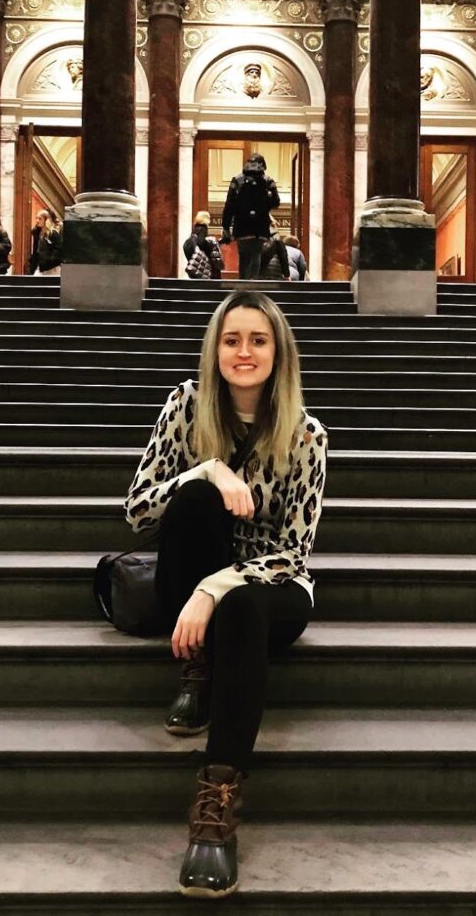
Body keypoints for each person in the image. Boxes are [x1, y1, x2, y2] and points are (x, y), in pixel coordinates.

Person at [124, 290, 328, 899]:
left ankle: (216, 800)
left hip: (267, 590)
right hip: (187, 577)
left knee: (239, 603)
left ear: (278, 352)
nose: (244, 352)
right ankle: (199, 666)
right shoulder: (186, 407)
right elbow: (136, 510)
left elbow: (294, 553)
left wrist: (215, 588)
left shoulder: (307, 436)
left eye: (258, 340)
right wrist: (206, 470)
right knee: (192, 498)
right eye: (232, 340)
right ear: (215, 350)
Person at [220, 153, 280, 279]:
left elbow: (229, 205)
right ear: (263, 165)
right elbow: (276, 202)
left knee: (243, 257)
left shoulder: (237, 180)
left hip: (241, 227)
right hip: (260, 227)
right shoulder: (268, 180)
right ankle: (253, 285)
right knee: (256, 255)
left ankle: (243, 285)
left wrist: (226, 227)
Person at [183, 210, 224, 280]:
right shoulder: (202, 230)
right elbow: (201, 243)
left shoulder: (194, 232)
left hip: (197, 269)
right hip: (206, 270)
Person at [28, 209, 63, 276]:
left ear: (46, 220)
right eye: (36, 218)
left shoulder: (53, 234)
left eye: (40, 219)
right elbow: (35, 252)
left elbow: (58, 252)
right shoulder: (37, 233)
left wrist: (47, 263)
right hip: (40, 268)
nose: (37, 221)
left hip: (52, 269)